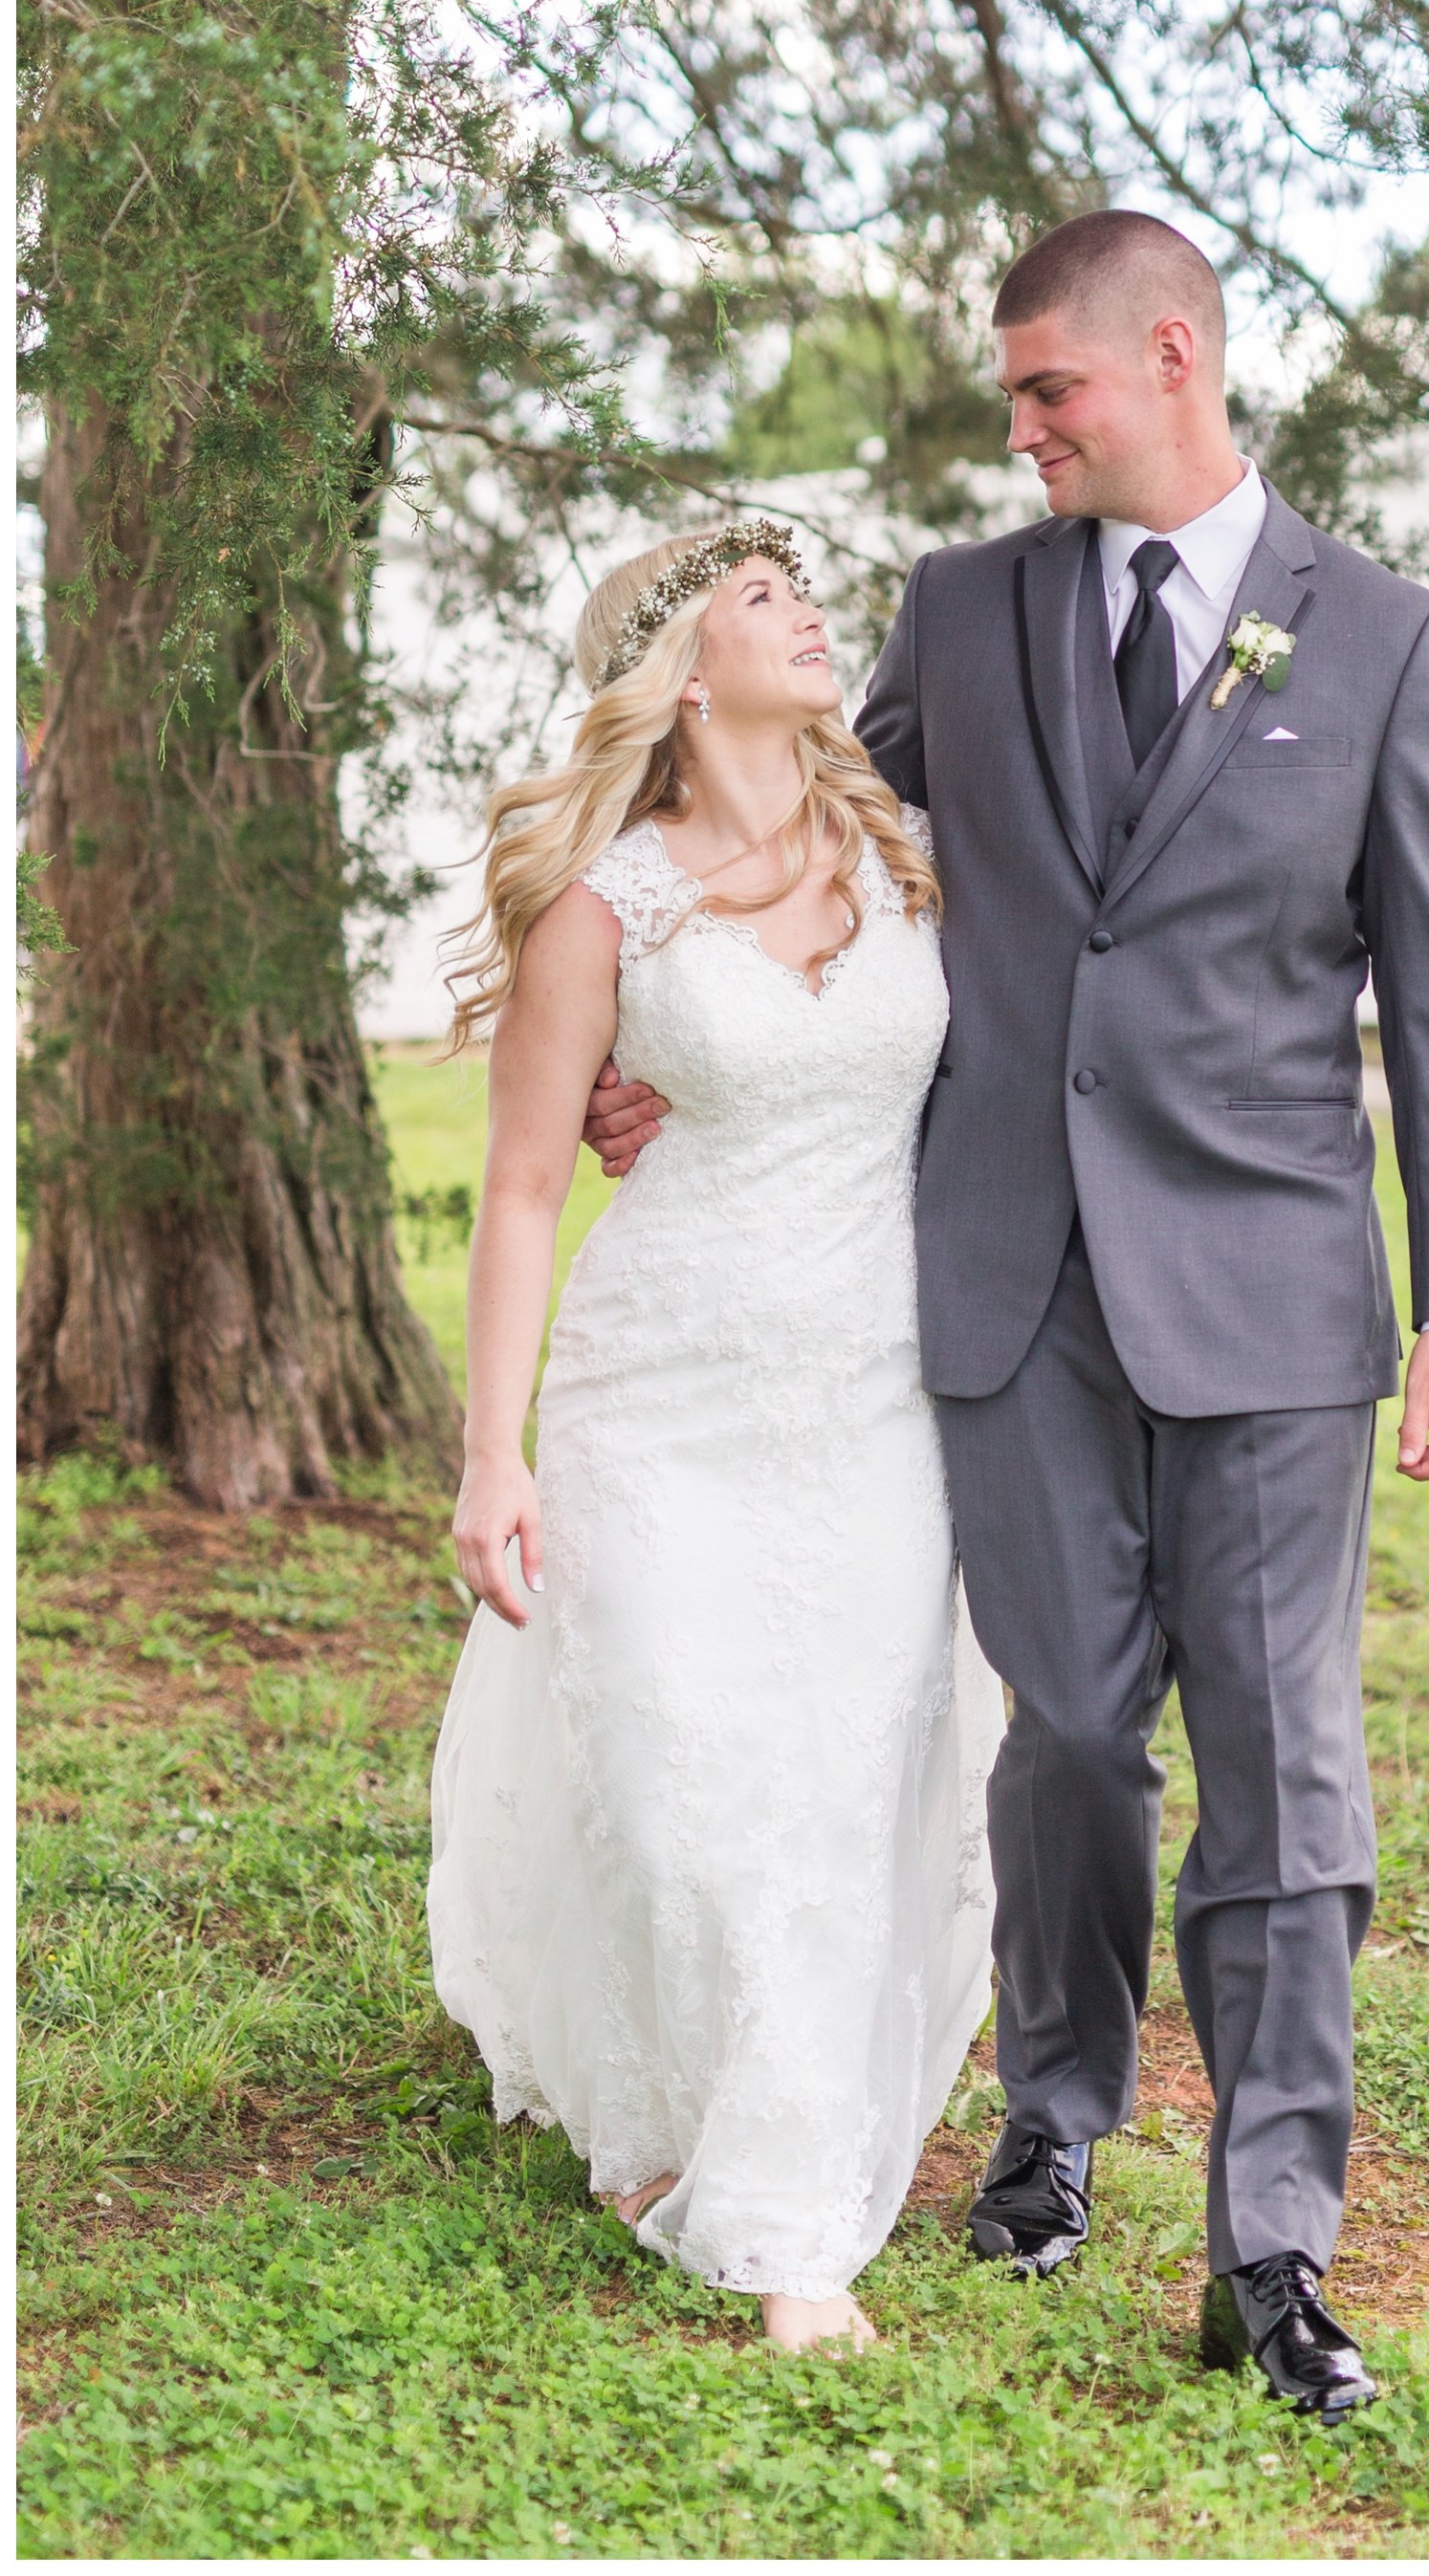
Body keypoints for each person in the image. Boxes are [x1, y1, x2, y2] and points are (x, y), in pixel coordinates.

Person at [586, 212, 1429, 2420]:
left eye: (1045, 394)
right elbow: (832, 832)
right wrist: (673, 1016)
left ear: (1166, 358)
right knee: (1073, 1738)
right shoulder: (966, 611)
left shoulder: (1377, 639)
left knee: (1285, 1782)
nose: (1015, 434)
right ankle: (1058, 2108)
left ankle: (1271, 2247)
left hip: (1278, 1296)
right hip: (1000, 1281)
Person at [427, 517, 1000, 2355]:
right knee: (684, 1780)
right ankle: (720, 2153)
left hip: (878, 1395)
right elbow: (525, 1182)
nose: (810, 614)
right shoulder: (608, 904)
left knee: (837, 1780)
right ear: (676, 671)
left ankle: (771, 2196)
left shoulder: (910, 854)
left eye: (804, 592)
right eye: (764, 599)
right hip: (659, 1392)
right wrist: (489, 1454)